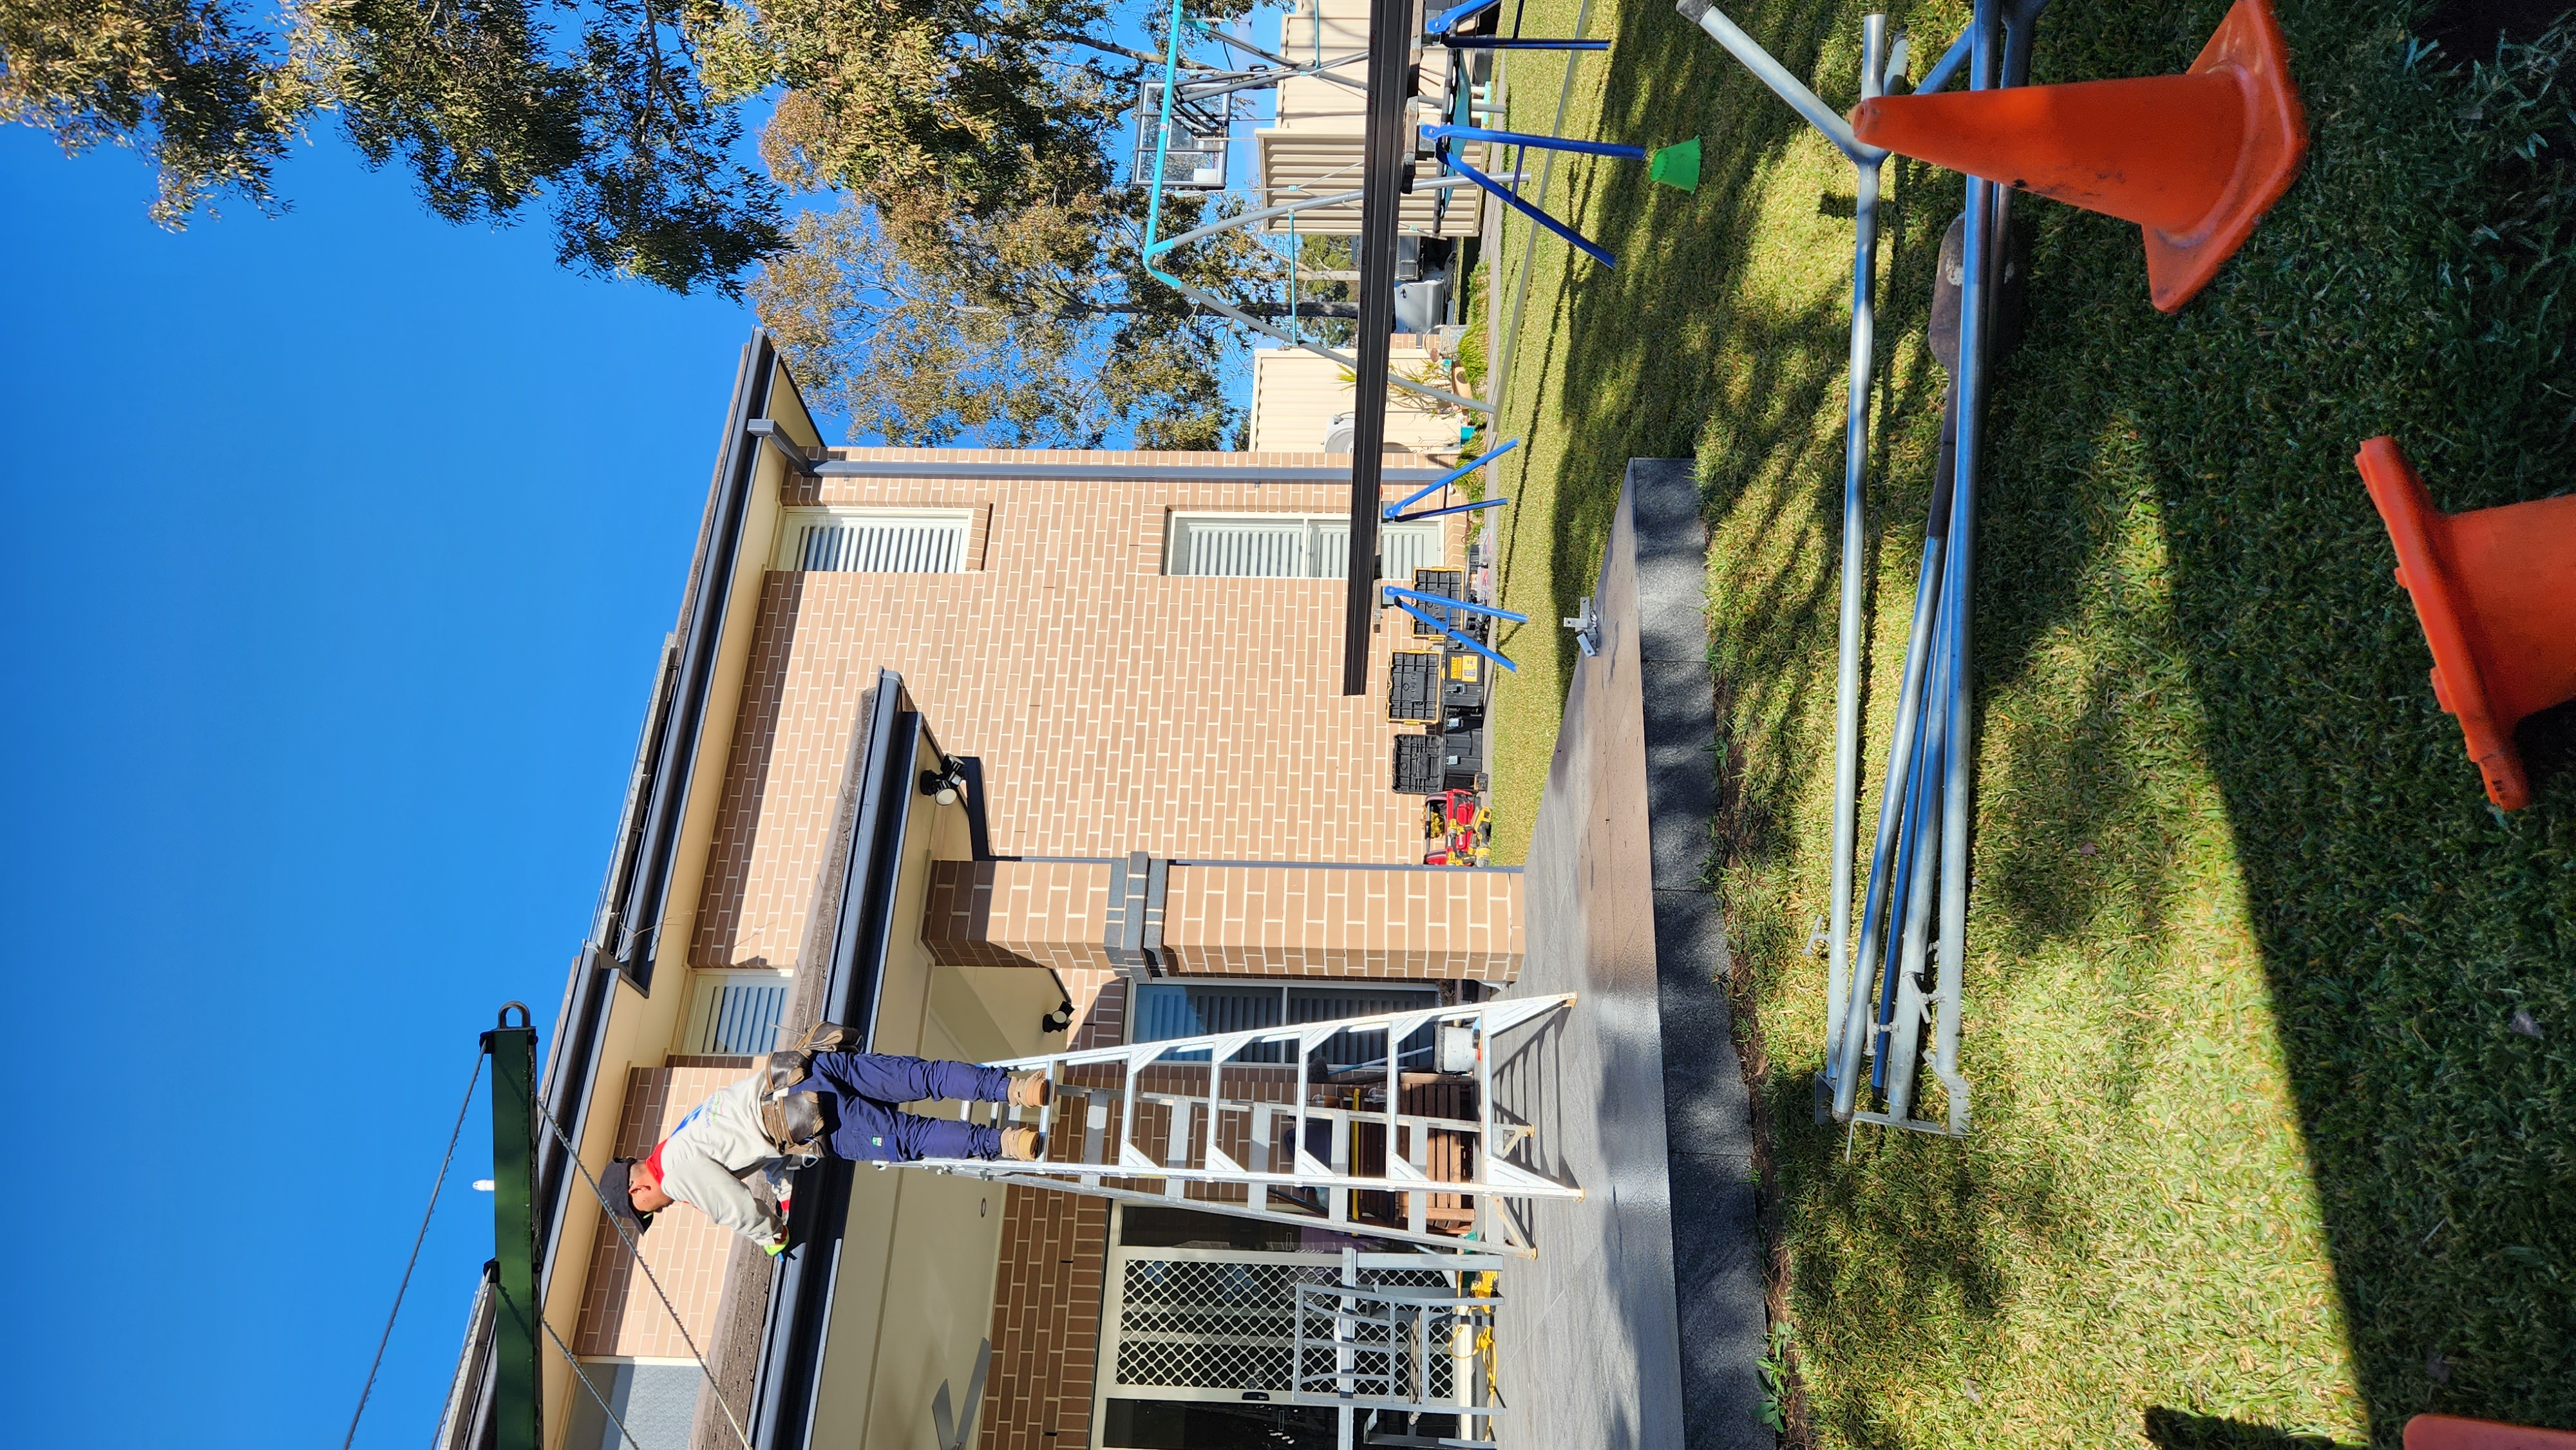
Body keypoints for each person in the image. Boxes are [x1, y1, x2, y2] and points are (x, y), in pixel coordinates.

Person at [598, 1050, 1051, 1254]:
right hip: (808, 1071)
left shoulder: (675, 1173)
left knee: (907, 1137)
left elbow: (733, 1208)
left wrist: (772, 1238)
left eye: (648, 1210)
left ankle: (1006, 1143)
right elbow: (748, 1134)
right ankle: (1016, 1088)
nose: (660, 1209)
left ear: (638, 1188)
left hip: (815, 1117)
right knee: (922, 1076)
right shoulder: (682, 1132)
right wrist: (782, 1181)